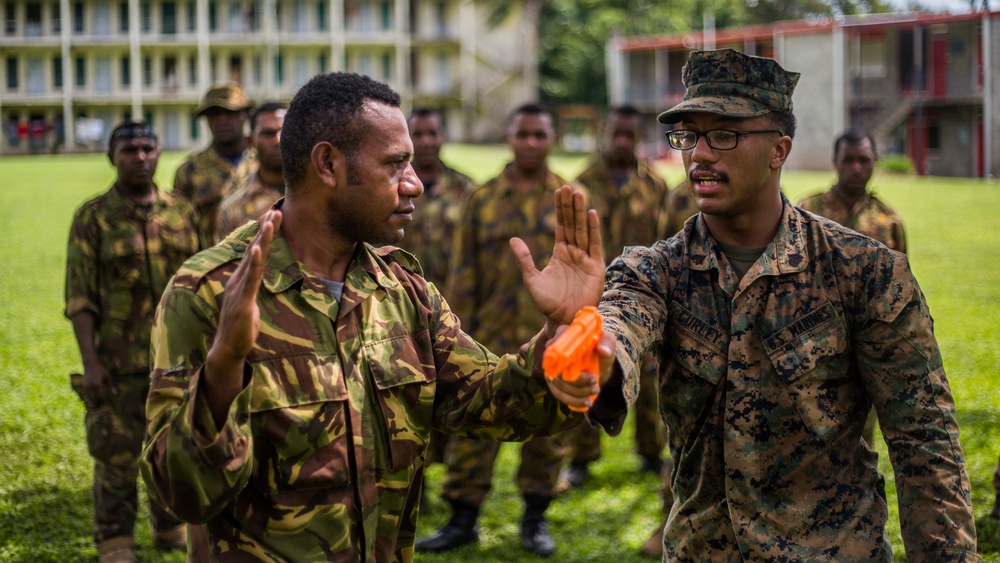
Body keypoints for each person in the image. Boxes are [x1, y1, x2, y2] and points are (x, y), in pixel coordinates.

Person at [138, 72, 607, 562]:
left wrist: (560, 332)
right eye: (395, 164)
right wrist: (222, 371)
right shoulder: (210, 292)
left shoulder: (401, 289)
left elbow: (489, 403)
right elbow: (181, 496)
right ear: (328, 164)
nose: (417, 183)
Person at [554, 48, 979, 560]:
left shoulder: (865, 271)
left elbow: (924, 438)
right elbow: (622, 324)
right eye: (689, 135)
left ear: (779, 150)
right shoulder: (656, 270)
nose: (700, 154)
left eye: (725, 134)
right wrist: (592, 345)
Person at [415, 104, 576, 558]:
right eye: (522, 133)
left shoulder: (568, 198)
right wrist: (453, 333)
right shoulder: (482, 198)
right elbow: (464, 273)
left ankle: (535, 518)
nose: (530, 143)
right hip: (486, 335)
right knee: (473, 432)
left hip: (548, 337)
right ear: (508, 136)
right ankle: (461, 519)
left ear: (551, 138)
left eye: (538, 135)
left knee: (547, 431)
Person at [65, 121, 200, 563]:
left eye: (147, 148)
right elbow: (80, 297)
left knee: (172, 449)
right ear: (111, 157)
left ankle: (169, 530)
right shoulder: (92, 217)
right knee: (116, 458)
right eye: (128, 150)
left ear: (160, 153)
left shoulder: (182, 212)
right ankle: (115, 541)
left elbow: (202, 287)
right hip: (118, 363)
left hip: (176, 361)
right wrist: (93, 364)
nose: (139, 157)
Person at [564, 104, 670, 489]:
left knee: (649, 370)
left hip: (643, 297)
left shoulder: (655, 186)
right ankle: (581, 457)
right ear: (604, 134)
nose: (622, 141)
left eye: (630, 135)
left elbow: (665, 242)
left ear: (639, 137)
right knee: (590, 369)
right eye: (616, 134)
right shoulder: (580, 184)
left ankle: (650, 451)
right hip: (591, 296)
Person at [797, 128, 907, 448]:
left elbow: (899, 291)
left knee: (859, 440)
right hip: (812, 345)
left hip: (864, 349)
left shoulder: (888, 221)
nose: (856, 167)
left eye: (864, 160)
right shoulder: (808, 212)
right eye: (848, 160)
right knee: (806, 436)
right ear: (835, 162)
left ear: (874, 162)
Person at [403, 107, 478, 474]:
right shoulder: (394, 189)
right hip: (404, 313)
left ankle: (454, 473)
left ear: (443, 136)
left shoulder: (467, 191)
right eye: (419, 134)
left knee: (455, 389)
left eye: (433, 133)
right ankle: (417, 474)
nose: (427, 141)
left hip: (453, 313)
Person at [173, 82, 256, 246]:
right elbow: (181, 231)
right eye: (214, 114)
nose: (222, 120)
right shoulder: (189, 172)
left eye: (229, 112)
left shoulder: (266, 164)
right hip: (215, 266)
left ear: (246, 114)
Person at [216, 102, 287, 241]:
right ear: (250, 141)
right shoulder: (231, 209)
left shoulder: (320, 196)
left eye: (285, 132)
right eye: (268, 134)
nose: (278, 140)